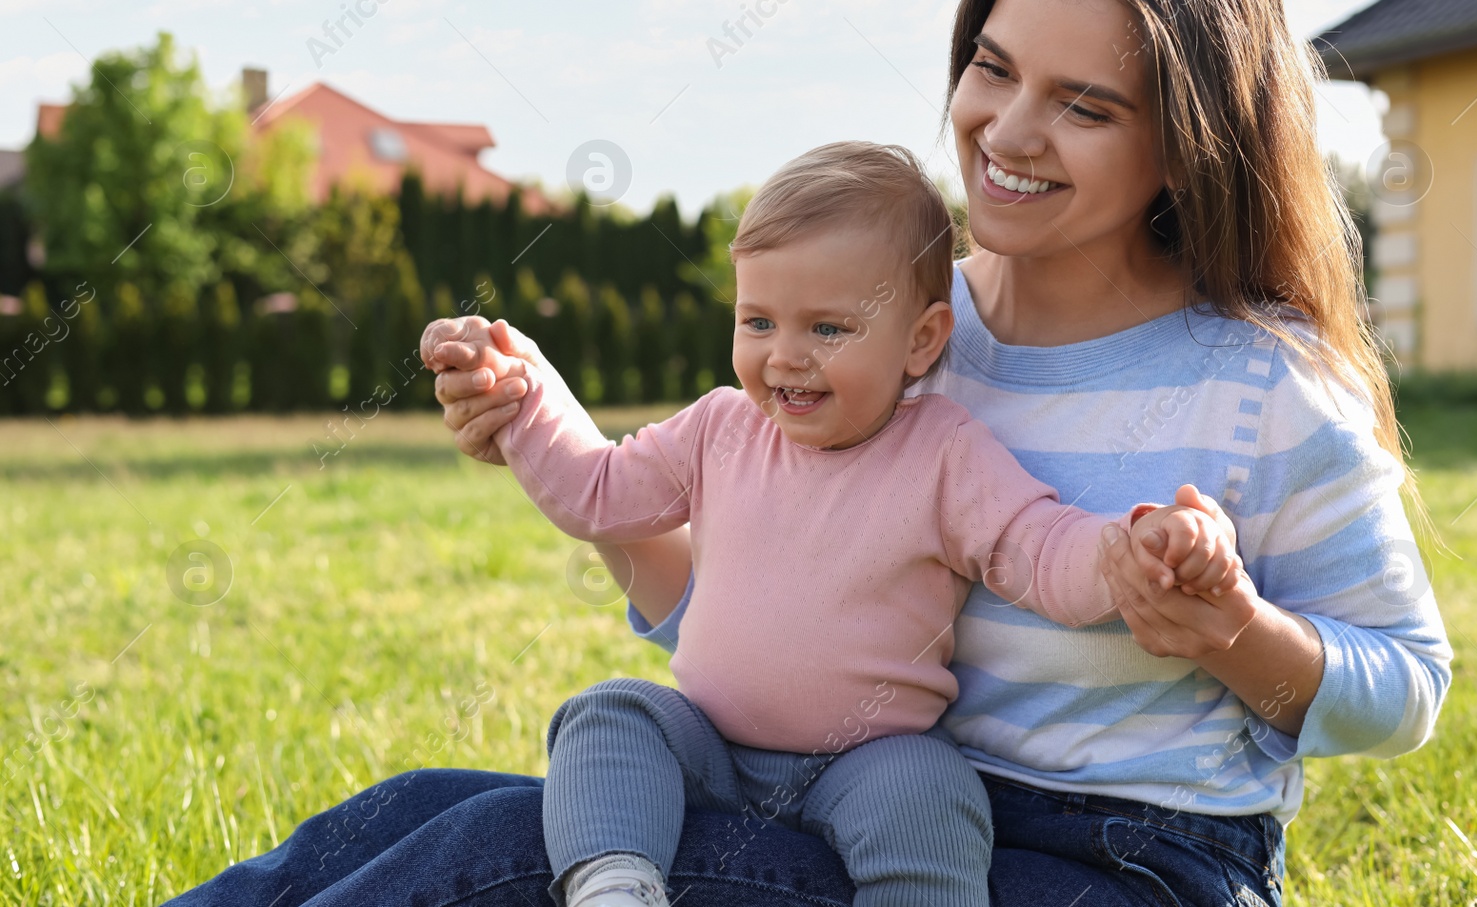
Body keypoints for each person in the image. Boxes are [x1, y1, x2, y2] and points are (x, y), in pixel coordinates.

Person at [167, 0, 1451, 907]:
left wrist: (1231, 627)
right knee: (421, 805)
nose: (1006, 130)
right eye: (993, 68)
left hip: (1122, 861)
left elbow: (1406, 685)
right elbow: (767, 619)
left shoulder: (1260, 386)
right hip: (860, 790)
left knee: (501, 851)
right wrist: (541, 430)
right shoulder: (896, 327)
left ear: (1185, 141)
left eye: (1083, 105)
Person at [422, 141, 1240, 907]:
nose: (785, 356)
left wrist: (1133, 547)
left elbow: (1040, 549)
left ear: (921, 340)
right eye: (758, 322)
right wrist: (522, 399)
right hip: (707, 741)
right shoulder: (718, 428)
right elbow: (594, 491)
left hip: (868, 757)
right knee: (609, 715)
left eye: (828, 328)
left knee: (931, 793)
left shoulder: (943, 453)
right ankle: (613, 881)